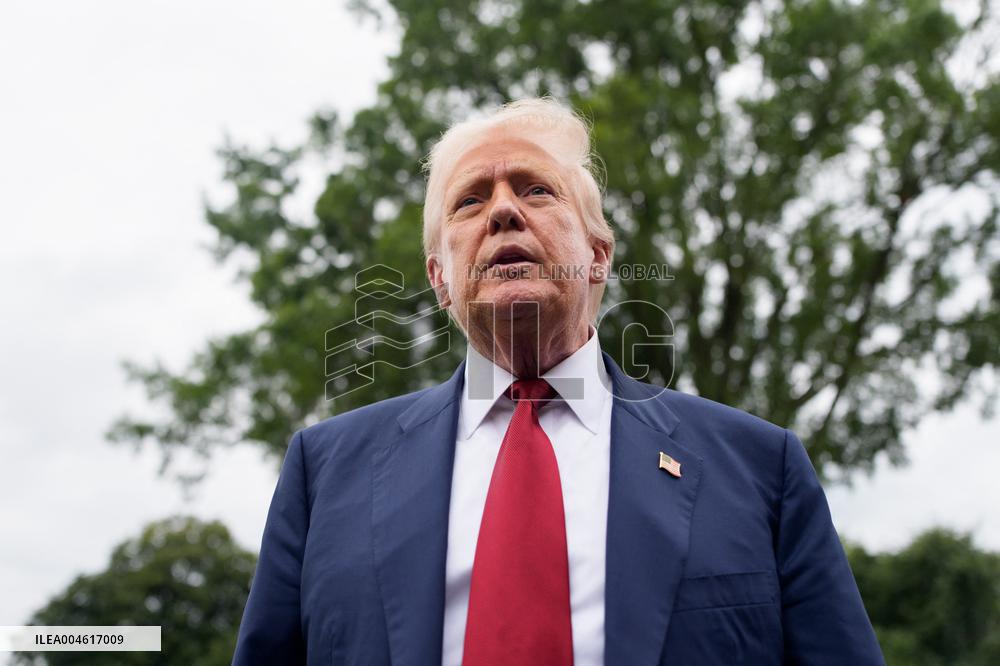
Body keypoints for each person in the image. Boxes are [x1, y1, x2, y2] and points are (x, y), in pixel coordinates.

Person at [232, 98, 885, 665]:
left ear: (597, 255)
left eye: (536, 189)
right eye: (471, 200)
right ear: (438, 278)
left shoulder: (761, 469)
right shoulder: (324, 473)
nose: (504, 212)